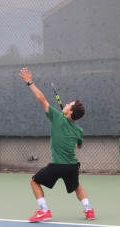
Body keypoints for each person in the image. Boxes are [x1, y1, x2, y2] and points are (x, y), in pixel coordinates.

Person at [18, 67, 95, 222]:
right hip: (72, 166)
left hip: (58, 165)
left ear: (70, 112)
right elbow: (79, 145)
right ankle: (89, 210)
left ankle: (44, 211)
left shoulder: (57, 118)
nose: (65, 104)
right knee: (76, 186)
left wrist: (29, 82)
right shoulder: (79, 130)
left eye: (69, 104)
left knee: (34, 181)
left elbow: (41, 99)